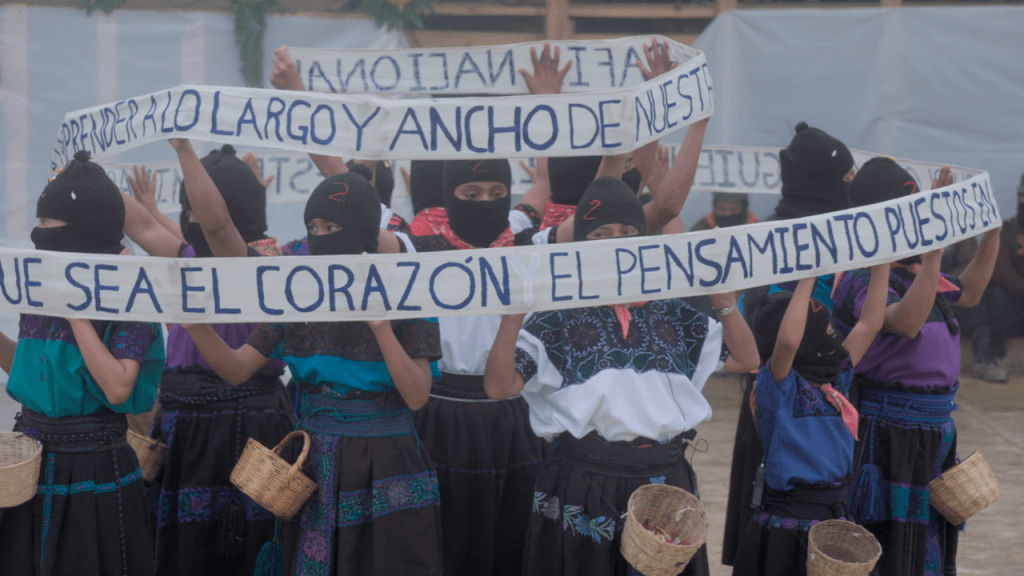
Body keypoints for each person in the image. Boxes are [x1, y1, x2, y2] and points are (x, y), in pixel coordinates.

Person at [484, 176, 761, 576]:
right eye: (601, 234)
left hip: (664, 482)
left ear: (645, 240)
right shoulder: (554, 317)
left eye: (629, 232)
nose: (616, 242)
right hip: (585, 478)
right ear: (581, 243)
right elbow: (499, 387)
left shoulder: (674, 312)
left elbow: (745, 358)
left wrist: (723, 303)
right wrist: (512, 317)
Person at [183, 172, 444, 575]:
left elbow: (417, 395)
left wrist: (381, 328)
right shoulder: (297, 296)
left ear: (361, 231)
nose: (319, 237)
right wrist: (196, 327)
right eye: (313, 227)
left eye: (332, 227)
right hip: (313, 457)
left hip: (387, 457)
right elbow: (237, 368)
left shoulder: (407, 292)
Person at [122, 139, 295, 576]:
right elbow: (142, 227)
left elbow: (217, 228)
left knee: (243, 547)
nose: (190, 218)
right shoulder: (188, 258)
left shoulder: (258, 265)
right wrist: (81, 171)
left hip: (245, 427)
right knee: (185, 551)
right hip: (185, 424)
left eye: (195, 207)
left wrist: (184, 150)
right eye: (187, 209)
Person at [0, 151, 166, 576]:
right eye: (37, 222)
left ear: (83, 231)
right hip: (33, 460)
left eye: (47, 223)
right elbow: (32, 371)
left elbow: (118, 388)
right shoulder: (39, 289)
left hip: (93, 467)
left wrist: (73, 309)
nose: (38, 234)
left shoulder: (129, 297)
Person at [832, 157, 1000, 576]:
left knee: (927, 538)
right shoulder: (863, 277)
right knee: (891, 541)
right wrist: (933, 256)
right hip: (891, 430)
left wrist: (991, 231)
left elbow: (972, 291)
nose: (919, 219)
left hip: (934, 427)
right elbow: (906, 322)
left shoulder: (917, 270)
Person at [722, 121, 856, 566]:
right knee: (774, 526)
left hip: (824, 398)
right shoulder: (784, 240)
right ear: (824, 181)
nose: (851, 186)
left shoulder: (838, 233)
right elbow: (763, 326)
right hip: (782, 402)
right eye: (846, 177)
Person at [732, 264, 888, 576]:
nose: (834, 337)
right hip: (788, 522)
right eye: (827, 331)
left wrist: (883, 262)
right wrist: (809, 275)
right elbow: (788, 343)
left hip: (834, 520)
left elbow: (870, 323)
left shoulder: (837, 380)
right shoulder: (778, 386)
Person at [954, 171, 1024, 382]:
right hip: (1010, 307)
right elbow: (1002, 274)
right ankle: (985, 358)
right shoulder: (1006, 230)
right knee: (988, 293)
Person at [690, 192, 758, 231]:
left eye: (734, 209)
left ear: (743, 208)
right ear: (715, 207)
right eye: (722, 208)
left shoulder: (759, 230)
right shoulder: (700, 229)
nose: (728, 213)